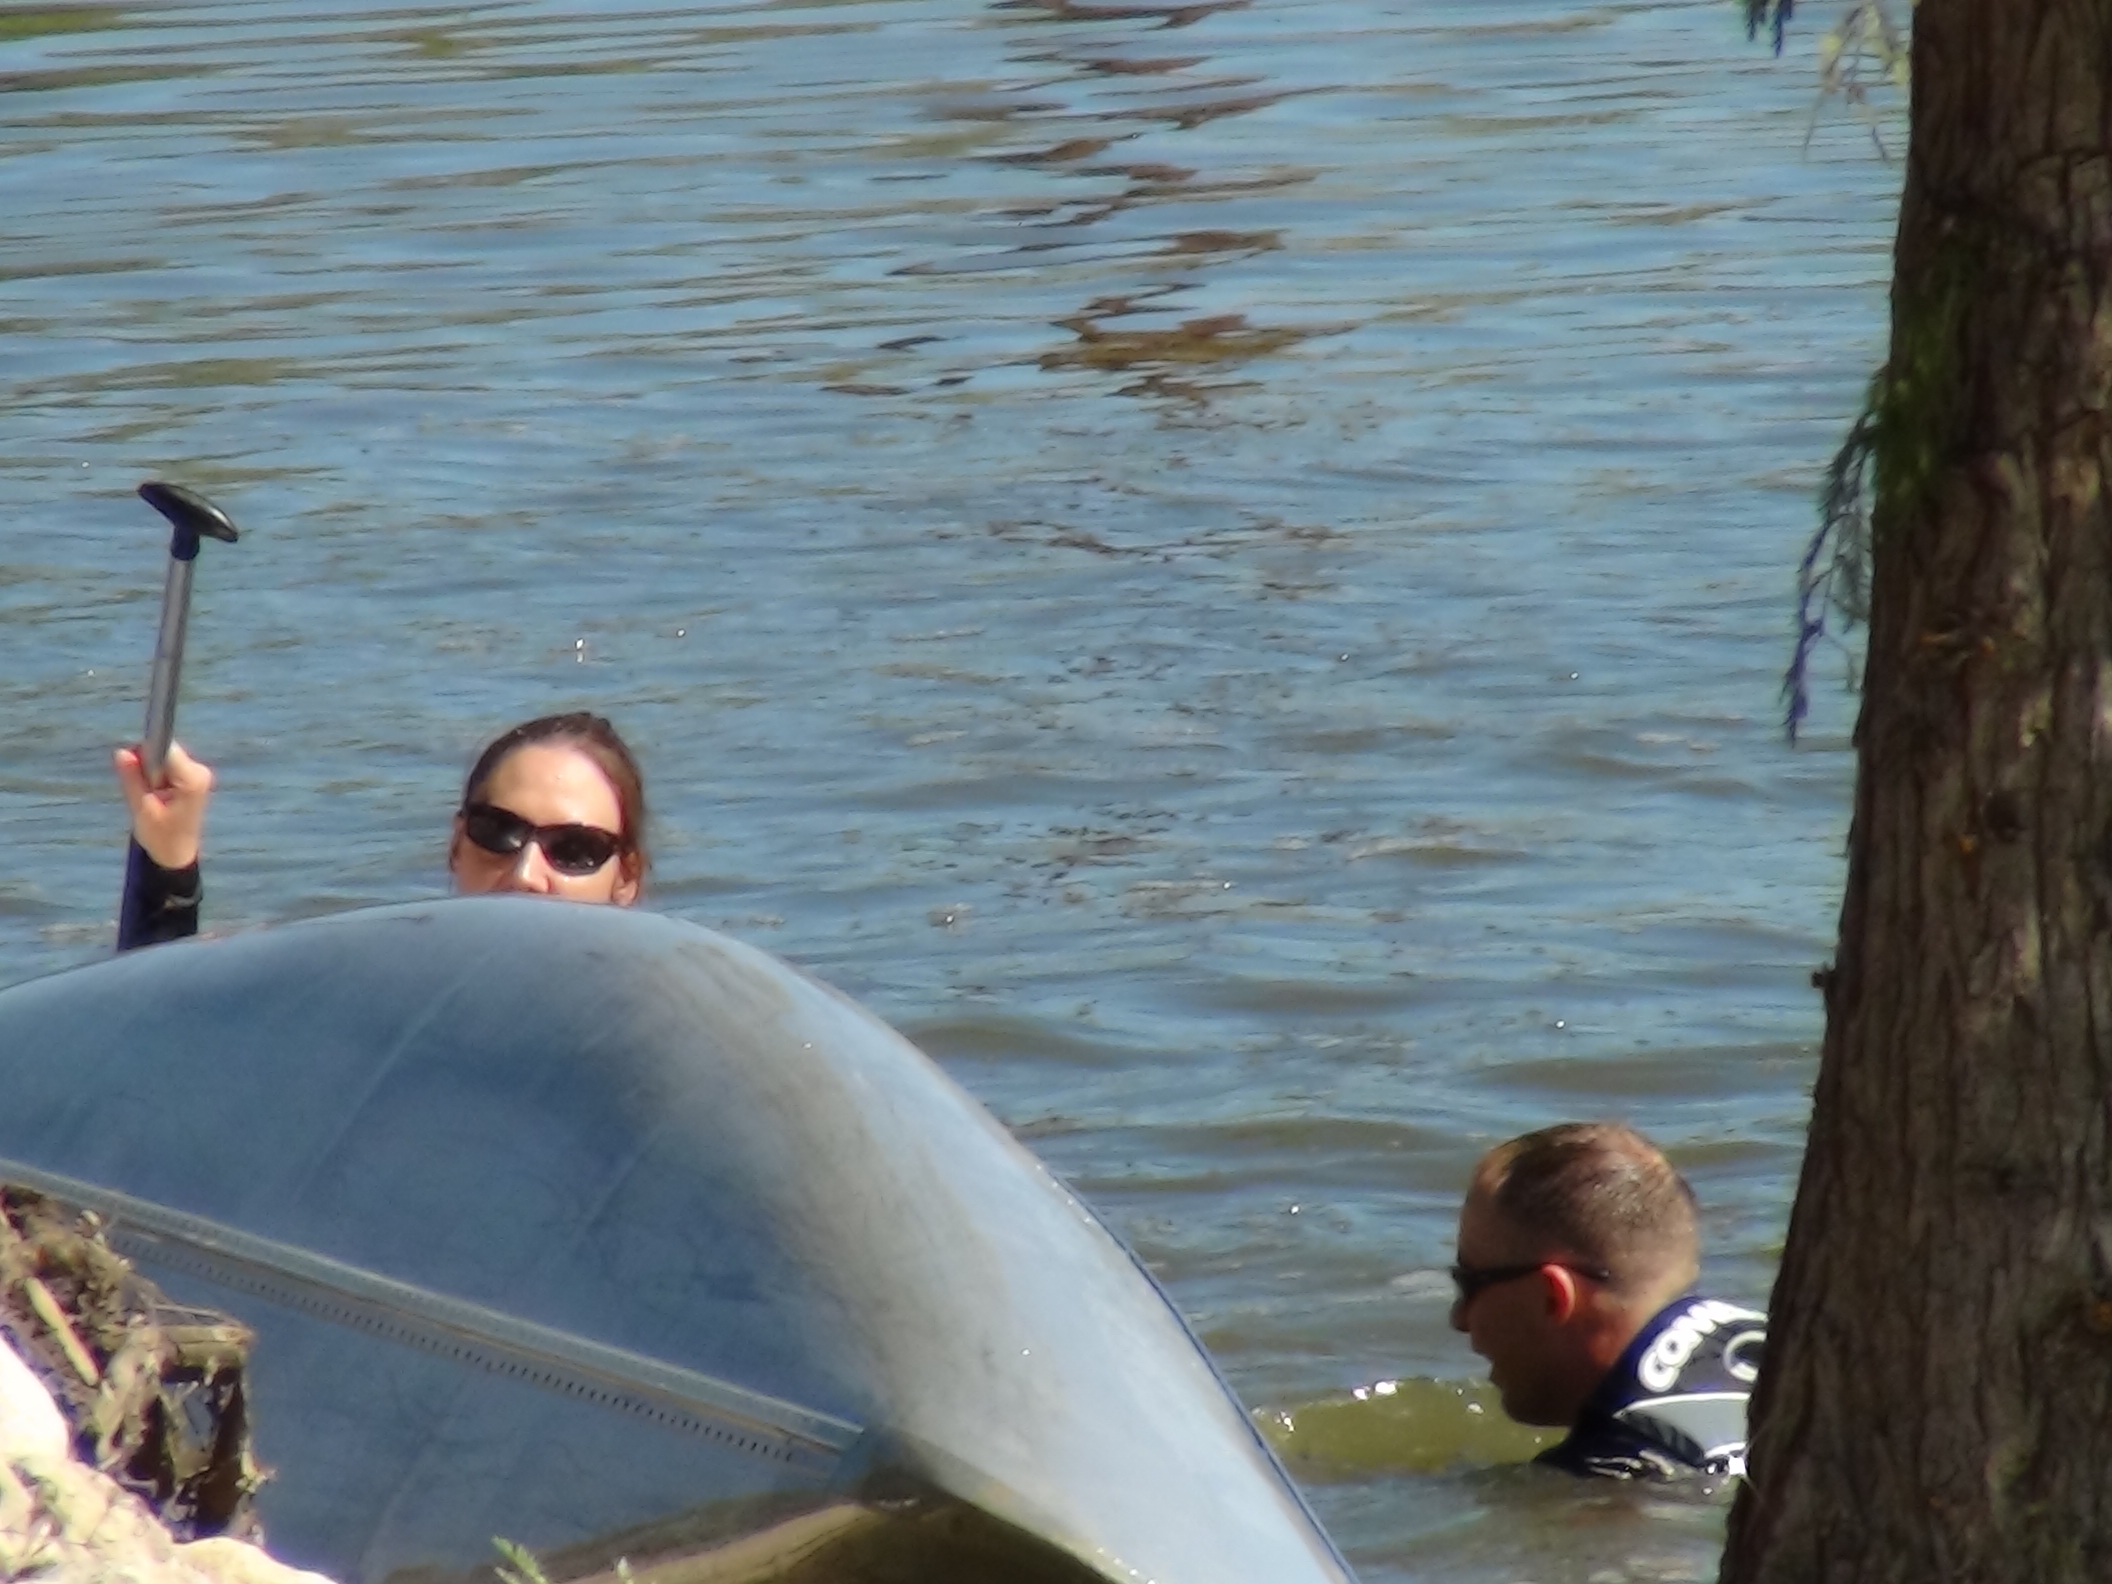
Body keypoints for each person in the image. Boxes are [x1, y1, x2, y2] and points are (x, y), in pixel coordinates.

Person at [113, 712, 649, 948]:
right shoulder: (377, 993)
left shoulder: (660, 1040)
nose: (528, 875)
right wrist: (169, 866)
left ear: (626, 879)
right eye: (499, 832)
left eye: (575, 850)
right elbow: (154, 1050)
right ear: (456, 845)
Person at [1448, 1121, 1766, 1480]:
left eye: (1470, 1283)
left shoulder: (1616, 1473)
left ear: (1552, 1298)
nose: (1459, 1318)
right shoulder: (1785, 1351)